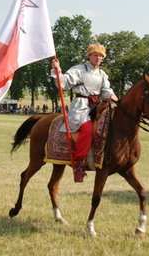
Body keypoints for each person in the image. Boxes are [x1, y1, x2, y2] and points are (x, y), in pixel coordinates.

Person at [50, 43, 119, 182]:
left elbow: (107, 91)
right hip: (81, 107)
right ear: (89, 56)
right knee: (87, 129)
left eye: (101, 56)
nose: (98, 58)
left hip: (98, 106)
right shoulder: (79, 70)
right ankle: (79, 165)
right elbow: (63, 83)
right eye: (96, 55)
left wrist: (119, 102)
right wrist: (57, 69)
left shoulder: (102, 74)